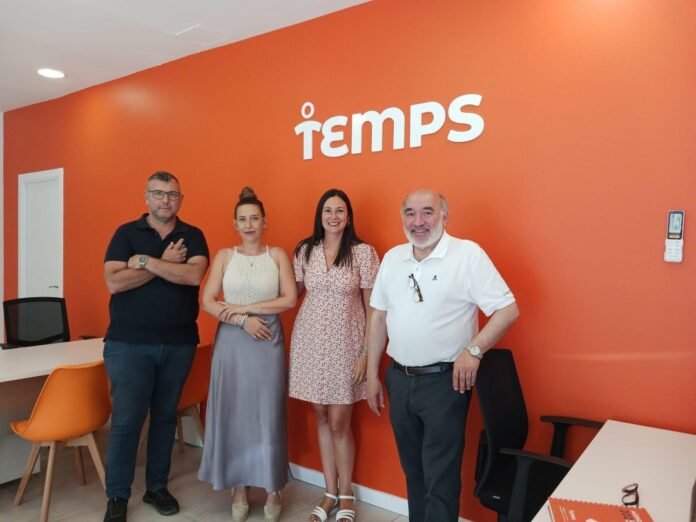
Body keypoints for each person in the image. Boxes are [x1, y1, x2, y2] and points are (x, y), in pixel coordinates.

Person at [366, 189, 519, 522]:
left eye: (427, 212)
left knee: (441, 479)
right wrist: (371, 374)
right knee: (414, 472)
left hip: (445, 383)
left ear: (444, 216)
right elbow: (378, 316)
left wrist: (474, 350)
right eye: (410, 213)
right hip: (398, 379)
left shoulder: (467, 255)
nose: (418, 221)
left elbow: (508, 309)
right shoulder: (393, 258)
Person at [102, 171, 210, 522]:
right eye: (159, 193)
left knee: (164, 419)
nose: (166, 200)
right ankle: (117, 496)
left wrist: (145, 261)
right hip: (128, 344)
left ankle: (156, 488)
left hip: (178, 344)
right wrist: (164, 262)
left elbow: (193, 276)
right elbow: (114, 282)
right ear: (146, 197)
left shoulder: (193, 236)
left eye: (173, 194)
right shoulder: (125, 234)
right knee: (126, 421)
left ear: (181, 199)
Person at [198, 187, 297, 522]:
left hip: (267, 339)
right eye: (243, 219)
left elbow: (289, 299)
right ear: (235, 224)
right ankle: (238, 487)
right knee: (234, 413)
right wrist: (242, 320)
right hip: (232, 341)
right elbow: (208, 301)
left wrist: (247, 308)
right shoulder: (225, 256)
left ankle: (272, 487)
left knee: (267, 413)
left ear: (264, 222)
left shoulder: (277, 255)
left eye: (255, 218)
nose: (249, 224)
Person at [288, 189, 380, 522]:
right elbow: (291, 294)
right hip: (309, 343)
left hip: (347, 345)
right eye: (328, 210)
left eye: (340, 210)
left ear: (349, 217)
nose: (334, 216)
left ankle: (346, 493)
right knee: (321, 416)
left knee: (340, 421)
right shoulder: (305, 251)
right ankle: (329, 493)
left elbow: (373, 308)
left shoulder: (363, 253)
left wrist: (366, 354)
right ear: (320, 215)